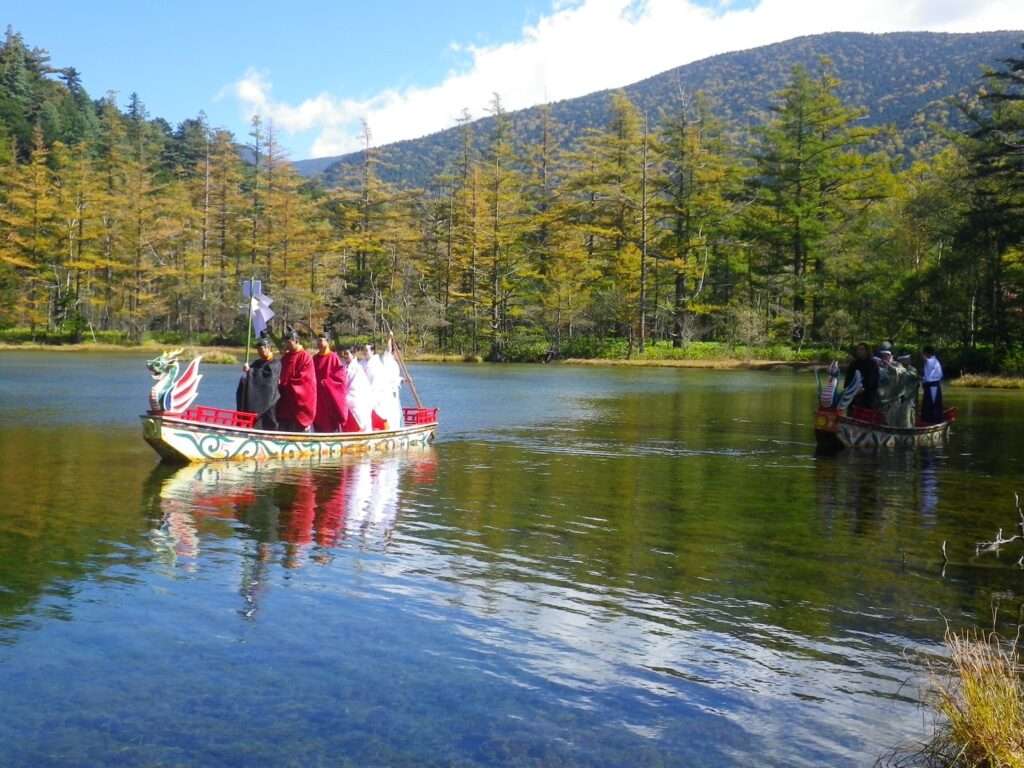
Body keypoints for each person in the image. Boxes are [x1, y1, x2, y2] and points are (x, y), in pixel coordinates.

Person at [236, 332, 281, 430]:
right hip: (255, 400)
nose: (259, 352)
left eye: (261, 349)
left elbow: (268, 379)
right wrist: (247, 373)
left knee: (269, 421)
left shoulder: (276, 363)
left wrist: (250, 371)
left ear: (268, 348)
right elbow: (250, 377)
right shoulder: (257, 362)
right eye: (258, 350)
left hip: (270, 400)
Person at [276, 328, 317, 432]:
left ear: (296, 341)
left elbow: (305, 381)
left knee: (296, 428)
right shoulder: (285, 357)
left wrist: (285, 383)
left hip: (297, 404)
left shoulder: (305, 357)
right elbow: (278, 372)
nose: (287, 345)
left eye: (289, 342)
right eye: (286, 343)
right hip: (285, 401)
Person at [312, 330, 349, 433]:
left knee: (331, 423)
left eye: (321, 340)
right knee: (319, 422)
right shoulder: (314, 358)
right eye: (317, 341)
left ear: (327, 342)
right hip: (318, 398)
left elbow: (340, 379)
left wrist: (327, 383)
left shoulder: (333, 357)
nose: (319, 343)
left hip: (330, 398)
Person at [342, 347, 373, 432]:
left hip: (356, 399)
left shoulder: (357, 368)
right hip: (346, 397)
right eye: (344, 354)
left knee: (359, 417)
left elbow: (356, 386)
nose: (345, 356)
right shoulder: (343, 367)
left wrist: (345, 395)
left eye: (347, 354)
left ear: (353, 354)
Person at [844, 342, 879, 410]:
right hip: (853, 395)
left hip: (867, 395)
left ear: (867, 351)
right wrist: (847, 388)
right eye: (858, 349)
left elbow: (872, 380)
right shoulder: (854, 363)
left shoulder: (873, 363)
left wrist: (864, 388)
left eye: (862, 349)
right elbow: (848, 378)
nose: (859, 351)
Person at [379, 335, 404, 429]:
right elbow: (388, 349)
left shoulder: (394, 363)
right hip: (389, 394)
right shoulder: (387, 359)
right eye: (399, 353)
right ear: (395, 352)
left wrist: (403, 380)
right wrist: (390, 338)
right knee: (393, 413)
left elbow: (395, 378)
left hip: (394, 393)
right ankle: (394, 428)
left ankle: (399, 427)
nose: (400, 355)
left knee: (398, 412)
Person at [921, 345, 944, 424]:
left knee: (932, 404)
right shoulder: (934, 361)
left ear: (927, 353)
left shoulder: (932, 361)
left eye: (924, 353)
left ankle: (932, 421)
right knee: (929, 404)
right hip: (930, 385)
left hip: (933, 386)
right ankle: (929, 420)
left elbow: (925, 360)